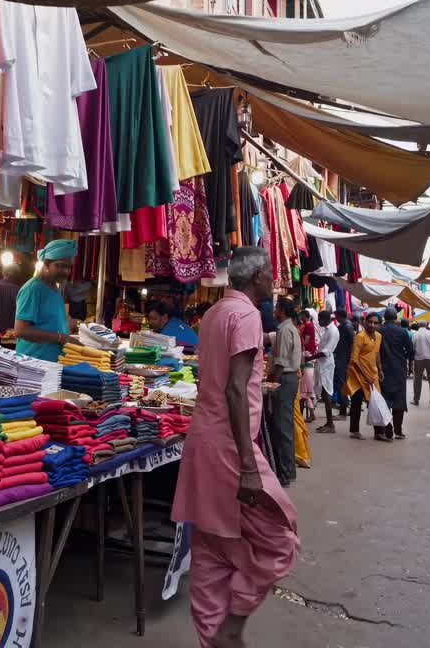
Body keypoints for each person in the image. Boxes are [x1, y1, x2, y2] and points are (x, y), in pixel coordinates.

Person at [172, 247, 298, 648]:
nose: (273, 282)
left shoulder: (213, 314)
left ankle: (213, 639)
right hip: (229, 444)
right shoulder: (245, 316)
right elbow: (236, 387)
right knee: (281, 536)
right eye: (270, 273)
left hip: (204, 440)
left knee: (212, 547)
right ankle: (233, 623)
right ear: (256, 275)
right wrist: (248, 462)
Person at [14, 240, 81, 361]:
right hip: (32, 363)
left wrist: (68, 325)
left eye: (68, 267)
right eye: (60, 265)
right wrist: (60, 337)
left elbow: (49, 322)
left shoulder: (56, 288)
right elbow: (20, 330)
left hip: (52, 363)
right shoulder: (33, 289)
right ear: (46, 264)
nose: (65, 271)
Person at [267, 298, 302, 485]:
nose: (273, 311)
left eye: (275, 308)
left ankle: (285, 473)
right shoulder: (290, 329)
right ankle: (287, 470)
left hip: (285, 379)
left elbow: (280, 362)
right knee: (283, 425)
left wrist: (271, 380)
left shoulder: (285, 330)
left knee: (282, 427)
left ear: (281, 310)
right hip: (289, 378)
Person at [342, 312, 382, 441]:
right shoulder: (360, 336)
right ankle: (354, 430)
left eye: (375, 323)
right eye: (370, 322)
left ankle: (378, 432)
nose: (372, 325)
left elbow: (377, 354)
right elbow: (354, 359)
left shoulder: (379, 336)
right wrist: (365, 376)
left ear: (379, 325)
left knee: (376, 404)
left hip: (373, 375)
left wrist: (380, 370)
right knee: (356, 403)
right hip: (358, 375)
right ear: (365, 322)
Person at [378, 308, 414, 439]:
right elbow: (410, 350)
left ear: (385, 317)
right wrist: (404, 357)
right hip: (399, 368)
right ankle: (398, 430)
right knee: (399, 399)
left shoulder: (378, 330)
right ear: (395, 318)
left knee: (384, 399)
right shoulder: (402, 331)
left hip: (382, 368)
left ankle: (387, 427)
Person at [313, 311, 339, 434]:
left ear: (325, 319)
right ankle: (329, 423)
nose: (319, 322)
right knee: (324, 393)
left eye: (319, 319)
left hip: (326, 365)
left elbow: (325, 351)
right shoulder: (327, 330)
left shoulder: (333, 331)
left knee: (327, 392)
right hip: (322, 364)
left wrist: (308, 358)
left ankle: (330, 424)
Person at [329, 309, 354, 423]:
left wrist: (349, 360)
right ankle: (344, 410)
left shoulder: (347, 327)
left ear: (340, 316)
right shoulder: (344, 326)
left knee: (342, 386)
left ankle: (343, 412)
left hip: (343, 361)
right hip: (341, 359)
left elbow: (353, 344)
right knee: (341, 385)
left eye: (336, 316)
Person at [411, 322, 430, 408]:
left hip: (418, 358)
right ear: (426, 326)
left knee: (417, 379)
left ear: (419, 325)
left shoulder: (415, 334)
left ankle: (416, 400)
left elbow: (413, 347)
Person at [298, 309, 318, 421]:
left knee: (305, 390)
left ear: (305, 316)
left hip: (307, 356)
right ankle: (311, 413)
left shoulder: (308, 326)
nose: (300, 317)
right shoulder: (306, 325)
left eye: (301, 315)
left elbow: (306, 341)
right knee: (306, 390)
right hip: (307, 357)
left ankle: (311, 414)